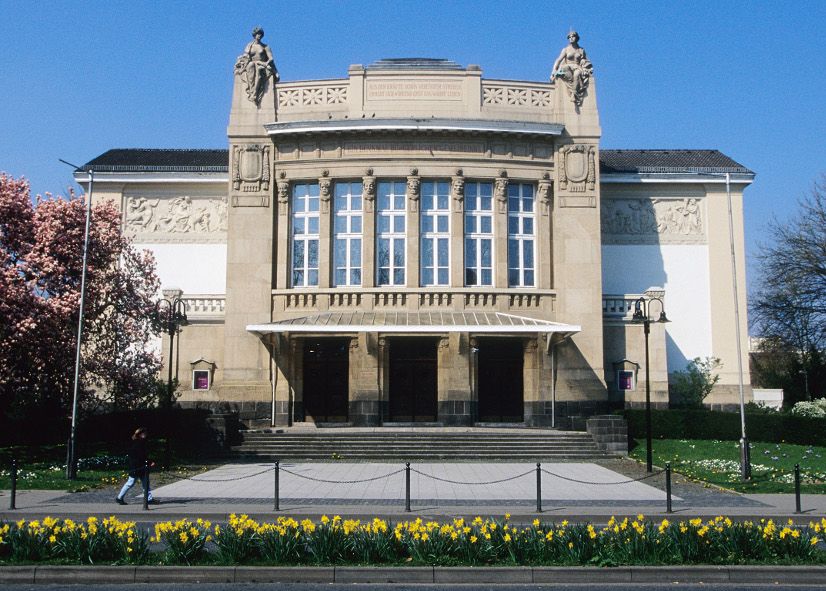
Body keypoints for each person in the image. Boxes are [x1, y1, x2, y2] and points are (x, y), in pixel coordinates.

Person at [235, 27, 279, 105]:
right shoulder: (249, 46)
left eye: (260, 34)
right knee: (251, 65)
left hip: (262, 64)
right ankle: (252, 91)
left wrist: (274, 71)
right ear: (254, 35)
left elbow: (271, 58)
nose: (259, 35)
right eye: (257, 34)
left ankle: (255, 93)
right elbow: (245, 56)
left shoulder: (265, 47)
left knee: (259, 70)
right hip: (251, 64)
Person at [551, 30, 593, 106]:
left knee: (577, 74)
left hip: (577, 67)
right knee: (565, 69)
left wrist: (585, 65)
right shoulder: (566, 49)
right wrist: (554, 70)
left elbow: (586, 62)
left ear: (576, 38)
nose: (571, 38)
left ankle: (574, 94)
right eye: (569, 37)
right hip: (568, 67)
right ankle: (574, 91)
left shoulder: (581, 50)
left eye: (573, 36)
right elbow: (558, 60)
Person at [115, 427, 156, 505]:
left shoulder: (138, 442)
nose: (145, 434)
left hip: (139, 466)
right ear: (140, 434)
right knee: (131, 483)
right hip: (137, 467)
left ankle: (149, 499)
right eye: (144, 433)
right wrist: (150, 461)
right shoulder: (139, 443)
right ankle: (119, 497)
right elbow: (141, 456)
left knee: (145, 483)